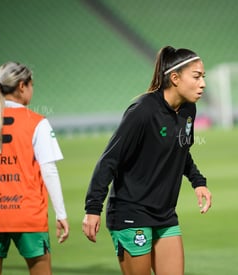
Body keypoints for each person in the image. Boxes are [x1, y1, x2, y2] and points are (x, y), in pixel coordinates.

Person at [82, 46, 212, 275]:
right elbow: (109, 160)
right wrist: (93, 208)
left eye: (203, 77)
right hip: (131, 213)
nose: (203, 83)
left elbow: (181, 150)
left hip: (165, 213)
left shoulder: (189, 110)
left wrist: (198, 181)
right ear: (175, 78)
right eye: (196, 76)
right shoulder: (142, 111)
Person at [0, 62, 69, 274]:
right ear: (22, 86)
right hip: (27, 214)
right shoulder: (37, 122)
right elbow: (49, 171)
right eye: (32, 85)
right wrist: (61, 214)